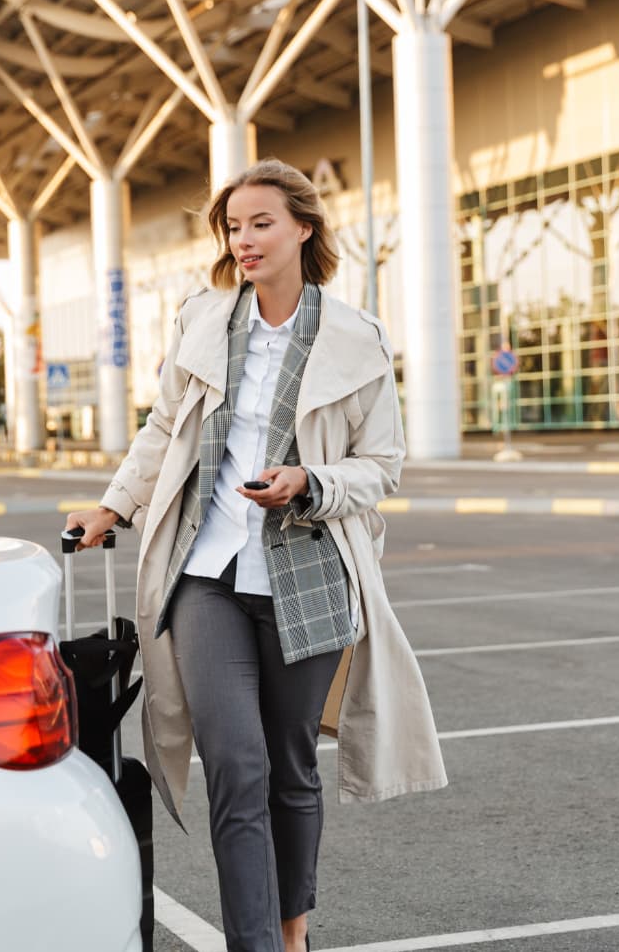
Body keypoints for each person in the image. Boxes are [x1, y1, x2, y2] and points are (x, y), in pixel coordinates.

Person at [66, 159, 447, 952]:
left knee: (291, 767)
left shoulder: (356, 338)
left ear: (304, 228)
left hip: (308, 575)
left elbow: (382, 466)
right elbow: (163, 427)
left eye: (261, 223)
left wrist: (311, 482)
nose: (244, 240)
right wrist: (115, 504)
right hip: (206, 576)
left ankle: (291, 929)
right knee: (235, 766)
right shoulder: (202, 321)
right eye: (234, 227)